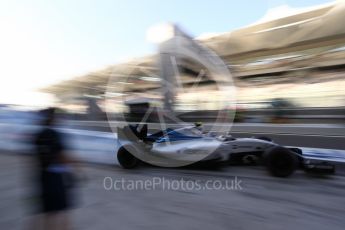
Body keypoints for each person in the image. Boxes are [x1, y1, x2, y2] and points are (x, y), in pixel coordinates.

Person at [32, 107, 74, 230]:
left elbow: (35, 158)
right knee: (62, 210)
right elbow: (62, 156)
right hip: (55, 177)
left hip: (43, 175)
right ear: (53, 118)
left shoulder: (38, 135)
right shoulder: (55, 134)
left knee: (48, 212)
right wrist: (74, 169)